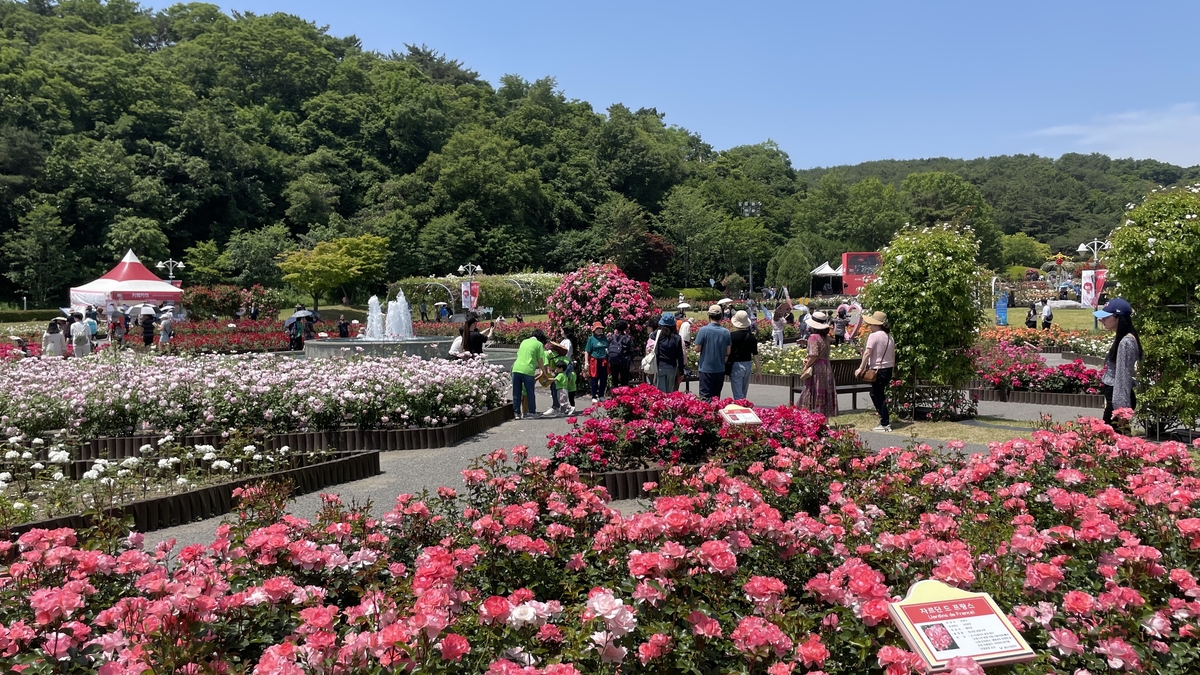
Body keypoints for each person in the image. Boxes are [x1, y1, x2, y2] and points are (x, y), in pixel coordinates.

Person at [1094, 298, 1140, 427]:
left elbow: (1123, 376)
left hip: (1118, 399)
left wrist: (1121, 409)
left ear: (1118, 317)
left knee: (1113, 439)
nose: (1101, 320)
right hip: (1115, 398)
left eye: (1105, 317)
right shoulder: (1123, 339)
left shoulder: (1126, 342)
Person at [855, 311, 895, 432]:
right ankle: (884, 420)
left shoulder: (874, 336)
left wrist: (860, 368)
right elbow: (893, 354)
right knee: (876, 393)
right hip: (888, 369)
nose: (870, 326)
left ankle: (885, 423)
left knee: (877, 395)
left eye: (871, 324)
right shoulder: (889, 337)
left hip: (878, 369)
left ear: (876, 325)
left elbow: (867, 352)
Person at [798, 311, 837, 417]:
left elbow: (814, 355)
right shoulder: (826, 338)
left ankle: (813, 415)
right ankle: (824, 416)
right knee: (824, 391)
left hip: (817, 368)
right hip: (826, 367)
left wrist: (806, 365)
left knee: (813, 390)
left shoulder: (813, 337)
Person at [693, 304, 731, 401]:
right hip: (720, 368)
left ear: (709, 316)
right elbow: (728, 351)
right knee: (716, 398)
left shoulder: (703, 330)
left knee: (705, 397)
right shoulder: (726, 332)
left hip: (706, 368)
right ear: (721, 317)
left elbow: (697, 348)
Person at [511, 328, 549, 419]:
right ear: (540, 338)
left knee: (516, 392)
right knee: (530, 392)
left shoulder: (524, 341)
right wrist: (544, 372)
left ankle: (517, 413)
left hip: (516, 369)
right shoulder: (539, 344)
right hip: (528, 370)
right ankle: (531, 412)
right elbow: (540, 361)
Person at [728, 310, 760, 401]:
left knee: (738, 394)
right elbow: (755, 354)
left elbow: (728, 352)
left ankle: (741, 410)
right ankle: (744, 407)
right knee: (743, 392)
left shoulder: (731, 336)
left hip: (736, 365)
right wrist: (758, 370)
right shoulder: (751, 337)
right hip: (748, 364)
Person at [652, 312, 685, 393]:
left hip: (660, 366)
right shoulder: (677, 338)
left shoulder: (657, 335)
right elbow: (680, 356)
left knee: (660, 393)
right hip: (672, 367)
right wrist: (681, 371)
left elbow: (650, 338)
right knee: (669, 392)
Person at [583, 322, 610, 401]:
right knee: (594, 378)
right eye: (597, 329)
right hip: (594, 361)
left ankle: (601, 395)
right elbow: (587, 351)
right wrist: (586, 362)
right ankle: (594, 396)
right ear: (594, 330)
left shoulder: (605, 338)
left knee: (603, 379)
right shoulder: (591, 339)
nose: (599, 330)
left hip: (604, 360)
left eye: (600, 329)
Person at [606, 320, 635, 391]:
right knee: (624, 382)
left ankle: (614, 397)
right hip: (624, 362)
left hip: (613, 361)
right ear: (625, 328)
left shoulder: (611, 338)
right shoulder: (627, 338)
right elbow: (632, 351)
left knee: (614, 381)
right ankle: (623, 397)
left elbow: (607, 348)